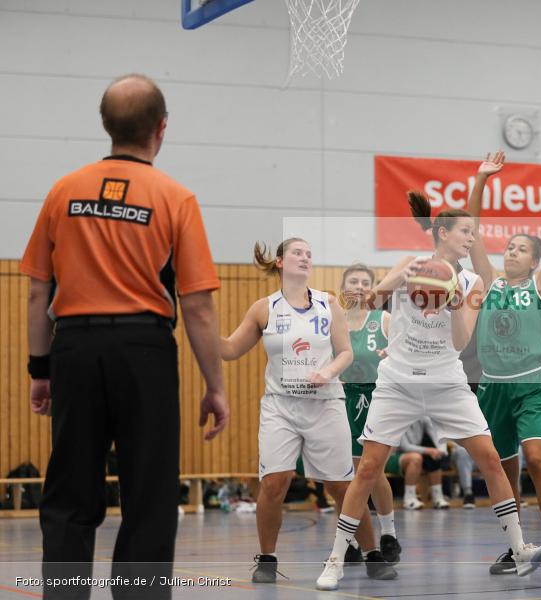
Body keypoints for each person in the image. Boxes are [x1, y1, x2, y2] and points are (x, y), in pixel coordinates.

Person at [21, 73, 229, 600]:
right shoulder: (176, 198)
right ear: (161, 129)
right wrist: (216, 385)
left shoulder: (62, 192)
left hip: (74, 349)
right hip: (144, 351)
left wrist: (40, 370)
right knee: (150, 492)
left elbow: (36, 293)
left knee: (69, 492)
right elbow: (199, 307)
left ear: (106, 126)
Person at [315, 191, 541, 591]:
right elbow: (371, 300)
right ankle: (336, 558)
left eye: (474, 232)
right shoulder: (411, 263)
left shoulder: (473, 280)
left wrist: (455, 299)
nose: (472, 238)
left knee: (491, 459)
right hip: (399, 380)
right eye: (465, 230)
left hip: (446, 381)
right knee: (368, 467)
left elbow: (460, 342)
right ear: (442, 232)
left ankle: (519, 548)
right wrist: (401, 278)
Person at [220, 239, 395, 583]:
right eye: (297, 252)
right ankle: (267, 559)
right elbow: (229, 350)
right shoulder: (263, 308)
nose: (305, 257)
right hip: (280, 407)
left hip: (326, 404)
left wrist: (328, 372)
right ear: (281, 262)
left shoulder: (328, 303)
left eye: (309, 254)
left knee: (343, 486)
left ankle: (372, 553)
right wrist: (203, 326)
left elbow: (345, 352)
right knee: (273, 484)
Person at [466, 150, 541, 578]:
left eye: (521, 249)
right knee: (504, 472)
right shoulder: (489, 282)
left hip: (531, 385)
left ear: (534, 260)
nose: (511, 251)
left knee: (537, 459)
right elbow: (470, 232)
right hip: (492, 387)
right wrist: (481, 179)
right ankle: (516, 547)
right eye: (509, 246)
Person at [340, 264, 402, 564]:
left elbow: (406, 349)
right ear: (343, 288)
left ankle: (388, 532)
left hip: (378, 397)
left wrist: (393, 355)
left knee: (370, 469)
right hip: (343, 397)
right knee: (347, 473)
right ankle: (354, 536)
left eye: (366, 282)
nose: (361, 286)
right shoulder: (332, 322)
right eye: (354, 281)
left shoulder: (383, 319)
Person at [386, 417, 452, 509]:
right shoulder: (398, 418)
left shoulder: (422, 416)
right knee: (416, 458)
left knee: (434, 456)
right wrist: (429, 450)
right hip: (391, 457)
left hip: (413, 453)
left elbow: (435, 433)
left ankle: (437, 497)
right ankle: (409, 499)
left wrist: (441, 450)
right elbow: (405, 447)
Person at [450, 443, 478, 508]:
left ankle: (501, 495)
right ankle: (468, 494)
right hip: (457, 452)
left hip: (480, 453)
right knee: (463, 451)